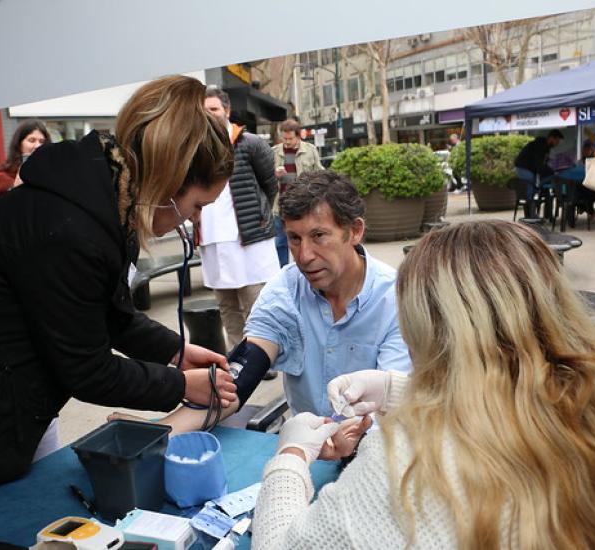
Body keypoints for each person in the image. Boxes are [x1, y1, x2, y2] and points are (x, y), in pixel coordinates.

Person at [0, 75, 238, 540]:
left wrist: (173, 350)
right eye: (197, 205)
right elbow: (86, 368)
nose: (195, 220)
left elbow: (106, 311)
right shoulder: (72, 229)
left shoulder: (98, 201)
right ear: (168, 180)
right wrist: (179, 385)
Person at [252, 220, 595, 549]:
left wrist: (290, 455)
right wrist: (401, 390)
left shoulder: (406, 466)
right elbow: (508, 386)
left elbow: (281, 543)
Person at [138, 170, 411, 460]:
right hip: (307, 450)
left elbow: (392, 408)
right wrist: (156, 434)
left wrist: (352, 444)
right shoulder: (284, 291)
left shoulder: (396, 300)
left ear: (354, 231)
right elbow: (238, 379)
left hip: (380, 454)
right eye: (294, 238)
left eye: (318, 236)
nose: (304, 256)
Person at [200, 88, 279, 349]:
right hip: (212, 239)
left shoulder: (250, 143)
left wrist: (258, 216)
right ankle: (237, 355)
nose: (208, 114)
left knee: (255, 304)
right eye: (204, 110)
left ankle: (261, 357)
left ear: (227, 111)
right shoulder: (194, 147)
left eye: (213, 109)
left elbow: (269, 185)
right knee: (227, 307)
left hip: (247, 237)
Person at [272, 119, 324, 266]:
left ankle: (303, 270)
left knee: (303, 241)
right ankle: (283, 274)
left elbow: (319, 175)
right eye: (284, 138)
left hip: (304, 206)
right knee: (280, 243)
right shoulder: (274, 152)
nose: (287, 142)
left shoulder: (310, 150)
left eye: (290, 138)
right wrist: (274, 174)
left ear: (298, 136)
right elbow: (265, 178)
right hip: (280, 207)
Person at [0, 119, 51, 212]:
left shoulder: (51, 174)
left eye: (42, 141)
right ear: (19, 144)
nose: (37, 146)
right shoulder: (1, 177)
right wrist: (14, 191)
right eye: (31, 140)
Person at [513, 129, 564, 218]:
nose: (557, 144)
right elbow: (539, 165)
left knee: (538, 187)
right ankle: (530, 215)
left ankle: (537, 213)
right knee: (531, 186)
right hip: (523, 168)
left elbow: (541, 165)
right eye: (557, 141)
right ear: (551, 138)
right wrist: (552, 172)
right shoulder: (540, 146)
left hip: (529, 168)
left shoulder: (546, 147)